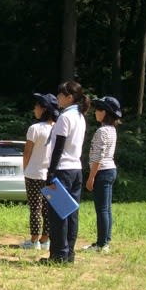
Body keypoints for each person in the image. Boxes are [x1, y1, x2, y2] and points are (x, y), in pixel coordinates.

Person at [42, 80, 89, 264]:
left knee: (58, 214)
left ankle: (58, 255)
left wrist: (50, 173)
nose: (58, 98)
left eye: (61, 95)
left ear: (70, 97)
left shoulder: (65, 117)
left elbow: (58, 148)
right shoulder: (80, 116)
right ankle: (69, 253)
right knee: (71, 213)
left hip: (62, 170)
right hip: (76, 169)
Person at [20, 93, 58, 251]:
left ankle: (33, 240)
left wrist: (25, 168)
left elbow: (27, 151)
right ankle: (45, 240)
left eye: (36, 106)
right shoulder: (56, 128)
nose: (34, 109)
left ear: (43, 109)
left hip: (34, 174)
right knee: (48, 208)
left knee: (35, 207)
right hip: (50, 174)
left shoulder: (34, 128)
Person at [84, 96, 121, 253]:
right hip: (110, 169)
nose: (96, 112)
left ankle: (101, 244)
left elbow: (98, 156)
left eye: (99, 110)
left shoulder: (102, 131)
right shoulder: (112, 130)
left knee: (102, 210)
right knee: (106, 208)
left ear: (106, 113)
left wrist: (91, 177)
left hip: (102, 171)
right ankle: (105, 241)